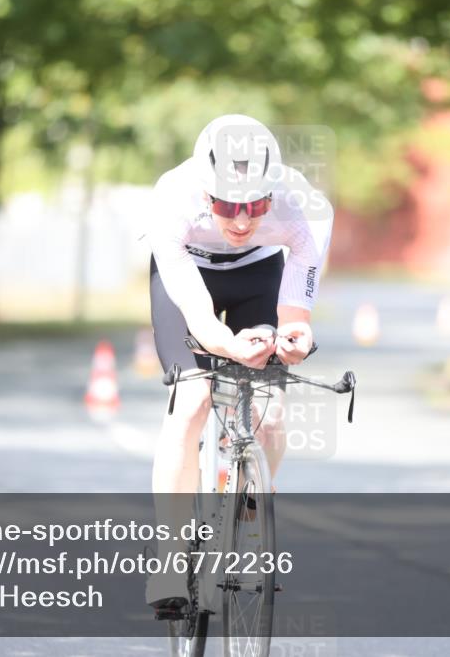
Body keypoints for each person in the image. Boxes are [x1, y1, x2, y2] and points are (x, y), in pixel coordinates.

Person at [145, 114, 333, 609]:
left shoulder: (302, 206)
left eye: (255, 205)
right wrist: (227, 346)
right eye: (229, 206)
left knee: (270, 414)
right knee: (191, 400)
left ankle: (246, 505)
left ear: (273, 192)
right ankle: (169, 557)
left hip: (258, 272)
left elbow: (297, 309)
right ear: (207, 195)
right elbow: (202, 323)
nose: (244, 220)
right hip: (188, 274)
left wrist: (294, 337)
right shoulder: (173, 196)